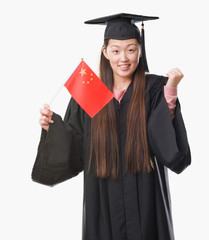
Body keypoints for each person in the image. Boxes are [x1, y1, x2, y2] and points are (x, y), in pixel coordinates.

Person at [32, 13, 191, 240]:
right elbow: (77, 146)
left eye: (131, 49)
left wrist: (171, 90)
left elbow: (164, 140)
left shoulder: (154, 88)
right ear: (105, 52)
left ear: (140, 51)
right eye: (116, 50)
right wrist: (52, 128)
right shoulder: (90, 92)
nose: (123, 58)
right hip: (102, 195)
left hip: (146, 197)